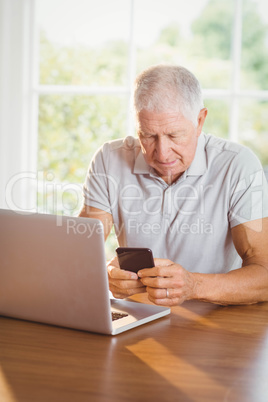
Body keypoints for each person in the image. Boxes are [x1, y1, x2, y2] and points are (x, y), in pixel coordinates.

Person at [79, 64, 268, 306]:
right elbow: (81, 254)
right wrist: (106, 274)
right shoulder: (109, 158)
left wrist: (193, 286)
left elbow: (263, 275)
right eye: (147, 135)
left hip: (217, 321)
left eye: (174, 135)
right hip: (139, 316)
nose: (162, 152)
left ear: (200, 121)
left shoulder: (238, 164)